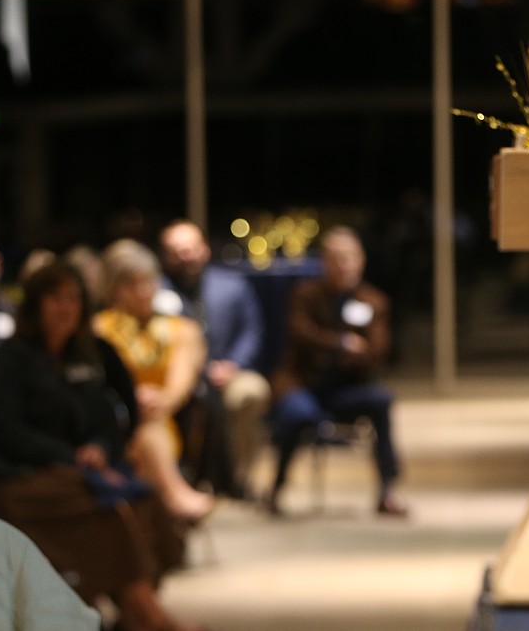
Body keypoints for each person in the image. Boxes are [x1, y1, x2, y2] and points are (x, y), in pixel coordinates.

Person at [0, 262, 198, 631]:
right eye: (56, 298)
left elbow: (113, 416)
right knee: (107, 507)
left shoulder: (90, 353)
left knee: (143, 499)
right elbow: (5, 429)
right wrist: (71, 458)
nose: (66, 307)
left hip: (81, 471)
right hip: (23, 476)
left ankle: (134, 608)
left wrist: (99, 446)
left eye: (73, 298)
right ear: (36, 305)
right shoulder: (15, 356)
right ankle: (143, 612)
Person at [268, 225, 408, 517]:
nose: (344, 265)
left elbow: (377, 351)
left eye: (349, 257)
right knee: (296, 414)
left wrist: (345, 353)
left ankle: (387, 490)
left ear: (361, 261)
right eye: (336, 258)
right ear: (324, 262)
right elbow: (300, 334)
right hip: (304, 385)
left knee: (381, 401)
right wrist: (342, 344)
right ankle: (276, 489)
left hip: (346, 389)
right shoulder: (305, 295)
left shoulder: (373, 302)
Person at [93, 239, 216, 522]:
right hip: (116, 422)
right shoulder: (98, 329)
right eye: (131, 284)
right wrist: (131, 399)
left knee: (148, 423)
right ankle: (173, 498)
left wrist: (161, 399)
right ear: (113, 288)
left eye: (148, 281)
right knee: (139, 424)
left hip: (165, 418)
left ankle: (162, 513)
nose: (143, 291)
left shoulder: (182, 329)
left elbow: (180, 383)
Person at [159, 219, 272, 500]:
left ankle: (238, 478)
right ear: (165, 255)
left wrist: (233, 364)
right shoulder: (156, 291)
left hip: (226, 369)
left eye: (190, 248)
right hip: (175, 374)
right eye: (176, 250)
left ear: (204, 249)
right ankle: (181, 479)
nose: (185, 255)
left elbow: (252, 330)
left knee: (251, 392)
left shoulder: (232, 285)